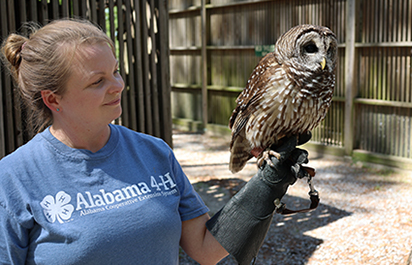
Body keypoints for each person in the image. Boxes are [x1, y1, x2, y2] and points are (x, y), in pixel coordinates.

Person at [0, 18, 309, 265]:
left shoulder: (153, 152)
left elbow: (205, 249)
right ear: (54, 99)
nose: (118, 85)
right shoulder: (15, 177)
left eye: (116, 71)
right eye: (98, 81)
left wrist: (268, 184)